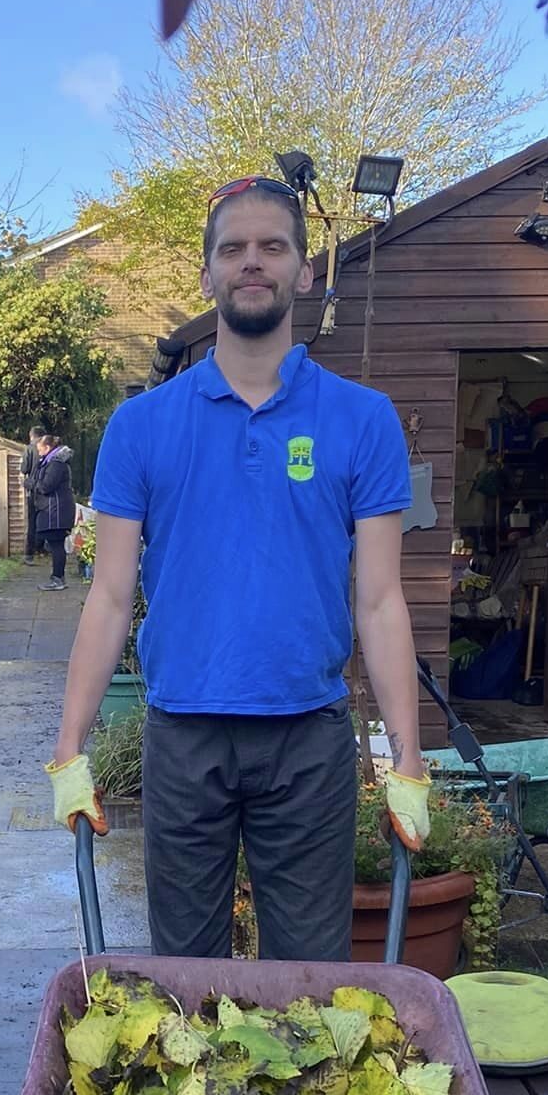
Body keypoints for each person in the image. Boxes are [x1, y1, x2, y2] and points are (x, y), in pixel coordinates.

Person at [44, 176, 430, 960]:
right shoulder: (142, 426)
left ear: (305, 271)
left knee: (312, 980)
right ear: (207, 274)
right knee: (184, 977)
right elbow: (110, 597)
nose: (252, 263)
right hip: (185, 735)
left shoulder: (362, 420)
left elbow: (382, 600)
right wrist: (69, 747)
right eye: (233, 250)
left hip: (310, 738)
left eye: (272, 247)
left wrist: (409, 756)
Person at [31, 434, 75, 591]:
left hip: (55, 512)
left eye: (40, 449)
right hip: (54, 510)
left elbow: (46, 486)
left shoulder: (56, 464)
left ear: (48, 447)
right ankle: (58, 577)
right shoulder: (51, 462)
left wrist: (32, 484)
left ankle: (58, 579)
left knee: (56, 545)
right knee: (55, 544)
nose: (39, 452)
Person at [20, 424, 44, 564]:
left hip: (33, 489)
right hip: (46, 488)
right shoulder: (49, 449)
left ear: (32, 436)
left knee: (32, 522)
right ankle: (42, 548)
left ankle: (29, 554)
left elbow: (24, 469)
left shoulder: (30, 449)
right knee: (45, 519)